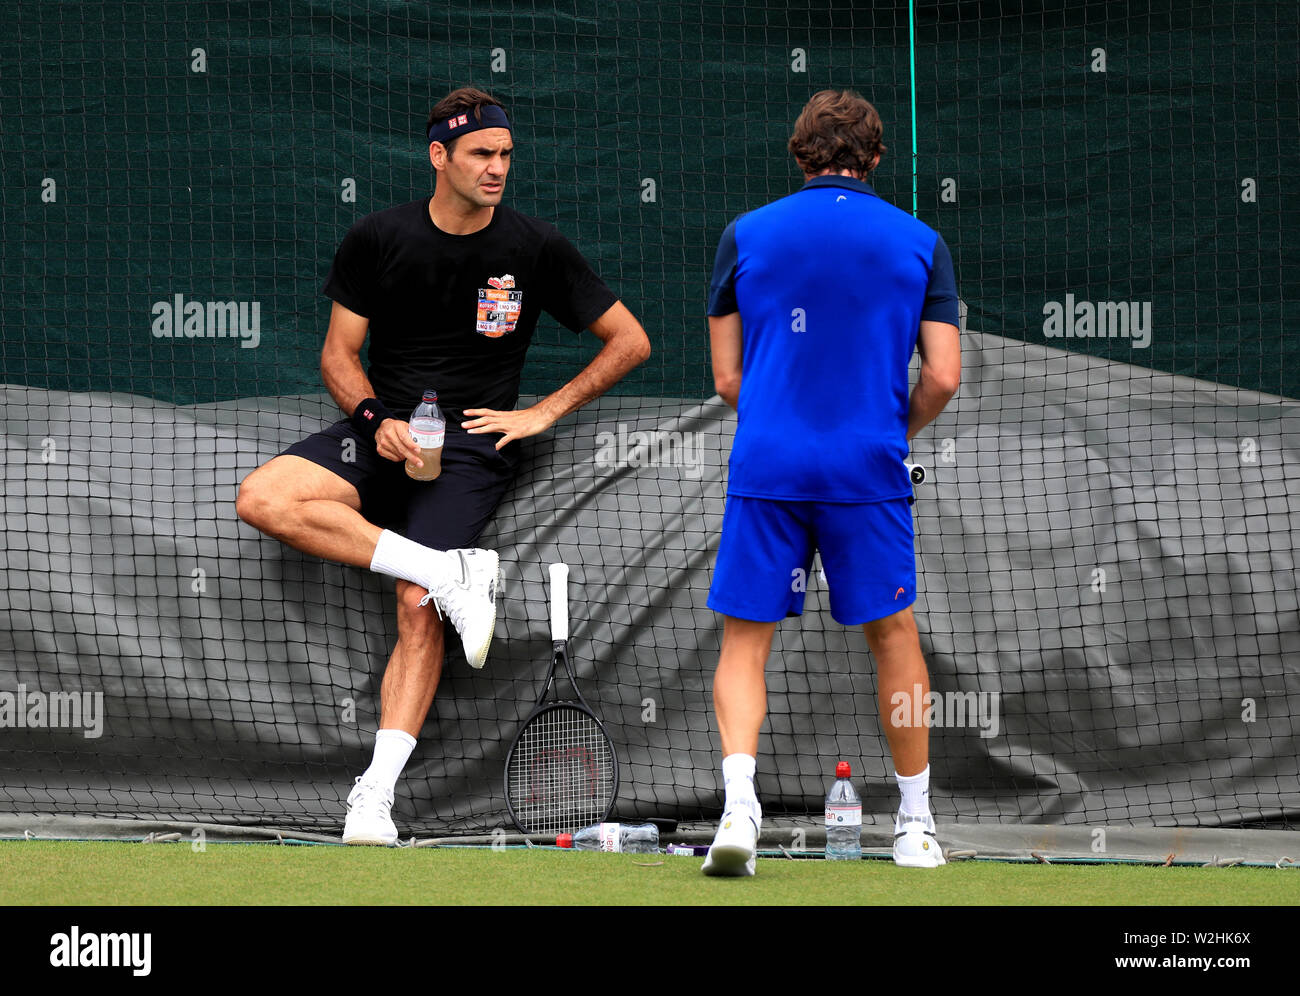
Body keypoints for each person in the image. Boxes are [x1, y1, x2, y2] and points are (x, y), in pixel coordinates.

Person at [235, 87, 650, 845]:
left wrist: (544, 412)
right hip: (383, 430)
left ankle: (374, 798)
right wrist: (375, 422)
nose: (497, 168)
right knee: (263, 497)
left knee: (414, 603)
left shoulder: (535, 247)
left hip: (471, 448)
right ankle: (451, 569)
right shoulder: (377, 236)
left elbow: (630, 340)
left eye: (505, 155)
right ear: (440, 156)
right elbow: (338, 354)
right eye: (481, 154)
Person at [701, 89, 961, 875]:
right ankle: (915, 827)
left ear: (800, 151)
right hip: (866, 467)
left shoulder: (745, 234)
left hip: (768, 463)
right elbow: (944, 377)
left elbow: (725, 377)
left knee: (746, 641)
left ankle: (737, 813)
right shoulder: (920, 240)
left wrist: (785, 416)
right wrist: (886, 433)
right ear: (876, 158)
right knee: (895, 636)